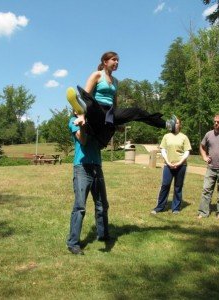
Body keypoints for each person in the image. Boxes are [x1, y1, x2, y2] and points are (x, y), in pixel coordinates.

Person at [66, 51, 177, 148]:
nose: (117, 62)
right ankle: (79, 108)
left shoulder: (115, 81)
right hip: (97, 108)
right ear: (105, 62)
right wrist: (81, 115)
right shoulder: (97, 75)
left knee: (137, 112)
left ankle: (167, 125)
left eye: (118, 60)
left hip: (110, 112)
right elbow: (87, 95)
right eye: (114, 60)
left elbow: (114, 103)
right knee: (89, 102)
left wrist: (117, 120)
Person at [66, 114, 109, 255]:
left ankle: (103, 235)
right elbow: (83, 140)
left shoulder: (95, 120)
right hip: (82, 168)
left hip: (97, 165)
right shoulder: (74, 120)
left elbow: (102, 144)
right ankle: (73, 243)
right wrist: (82, 126)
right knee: (80, 207)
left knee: (102, 205)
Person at [151, 117, 191, 214]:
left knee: (178, 186)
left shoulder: (184, 137)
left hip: (181, 166)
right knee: (165, 185)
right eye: (174, 122)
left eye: (177, 123)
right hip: (168, 165)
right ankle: (159, 207)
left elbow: (187, 152)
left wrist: (180, 162)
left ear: (180, 125)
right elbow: (163, 150)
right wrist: (168, 162)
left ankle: (176, 208)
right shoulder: (166, 136)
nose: (175, 124)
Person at [198, 114, 219, 219]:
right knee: (206, 189)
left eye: (218, 122)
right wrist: (204, 157)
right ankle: (203, 212)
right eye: (215, 121)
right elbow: (202, 146)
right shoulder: (208, 134)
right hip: (211, 168)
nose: (216, 123)